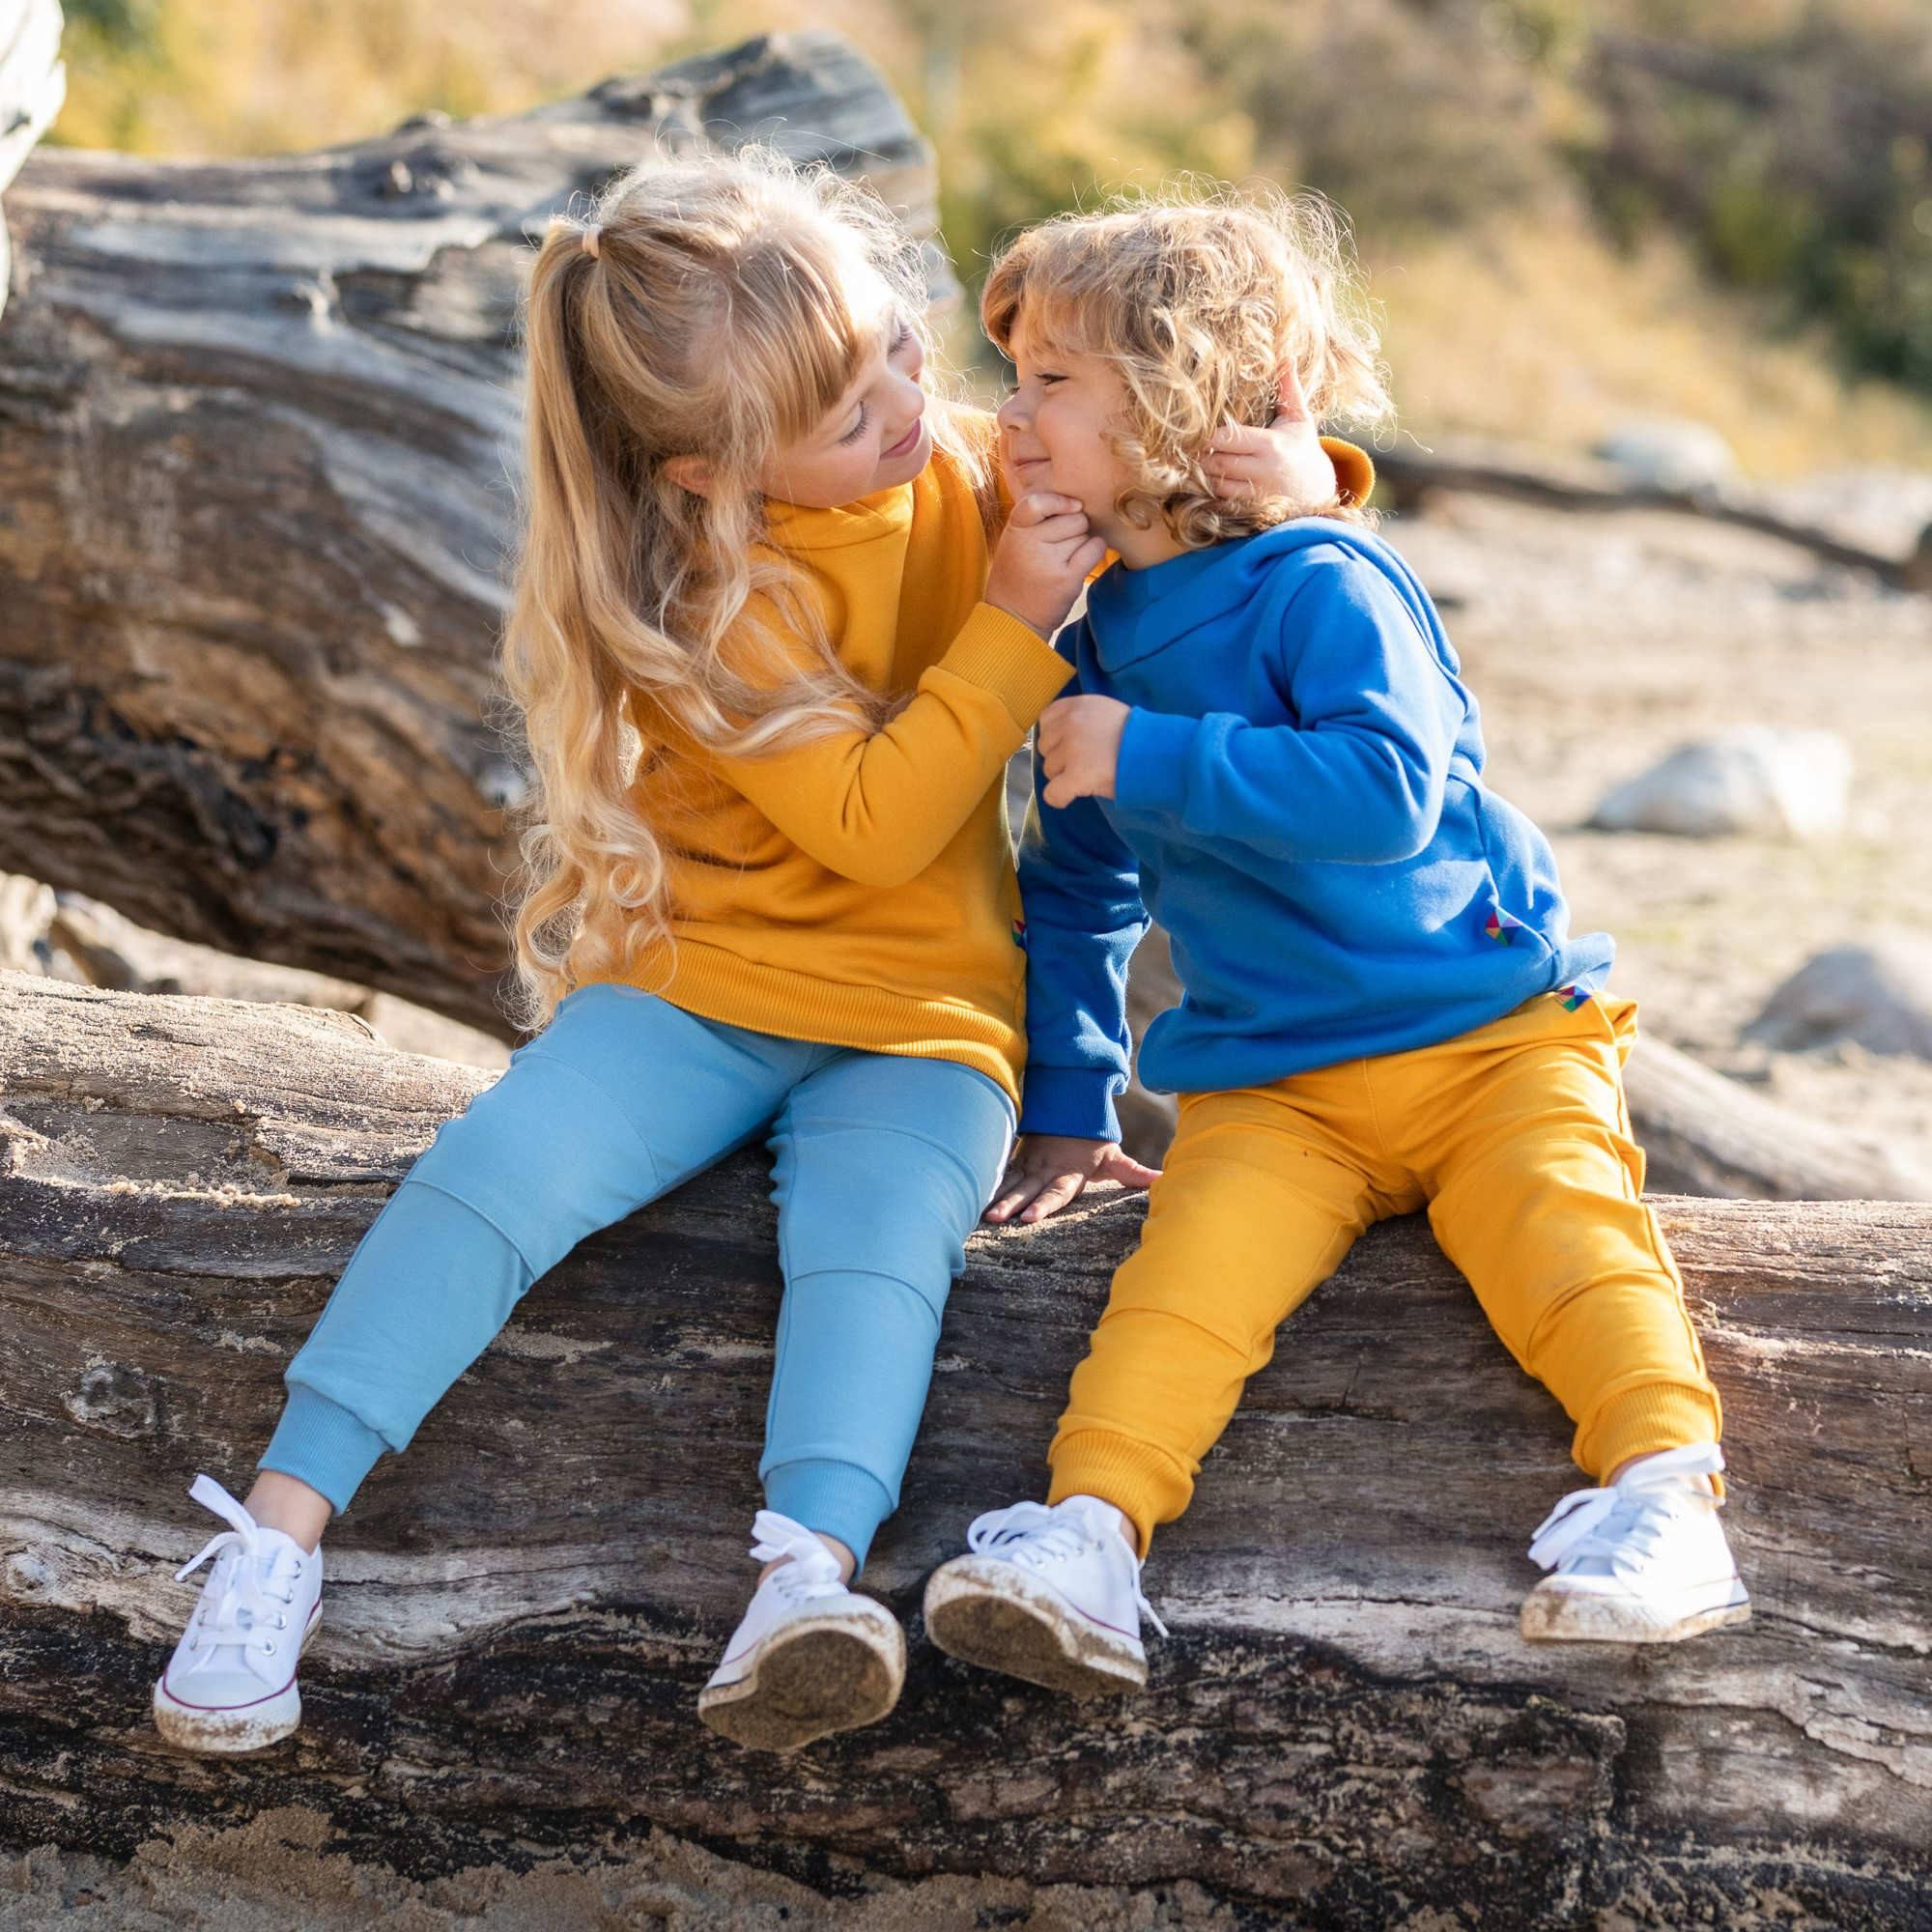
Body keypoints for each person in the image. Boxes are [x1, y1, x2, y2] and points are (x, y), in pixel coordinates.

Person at [150, 149, 1368, 1756]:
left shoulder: (952, 471)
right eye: (846, 407)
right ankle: (274, 1540)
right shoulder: (710, 596)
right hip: (702, 992)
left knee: (877, 1260)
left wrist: (1313, 490)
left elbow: (1187, 516)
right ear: (704, 477)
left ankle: (806, 1581)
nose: (905, 397)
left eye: (890, 346)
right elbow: (869, 821)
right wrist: (1011, 621)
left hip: (928, 1017)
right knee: (493, 1176)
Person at [925, 187, 1747, 1702]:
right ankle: (1091, 1540)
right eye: (1014, 378)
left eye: (1051, 380)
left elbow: (1383, 797)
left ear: (1175, 403)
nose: (1012, 414)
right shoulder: (1098, 638)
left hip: (1487, 1039)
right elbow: (1081, 890)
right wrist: (1062, 1102)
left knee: (1570, 1247)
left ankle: (1665, 1502)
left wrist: (1149, 754)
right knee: (1175, 1303)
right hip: (1276, 1092)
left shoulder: (1330, 580)